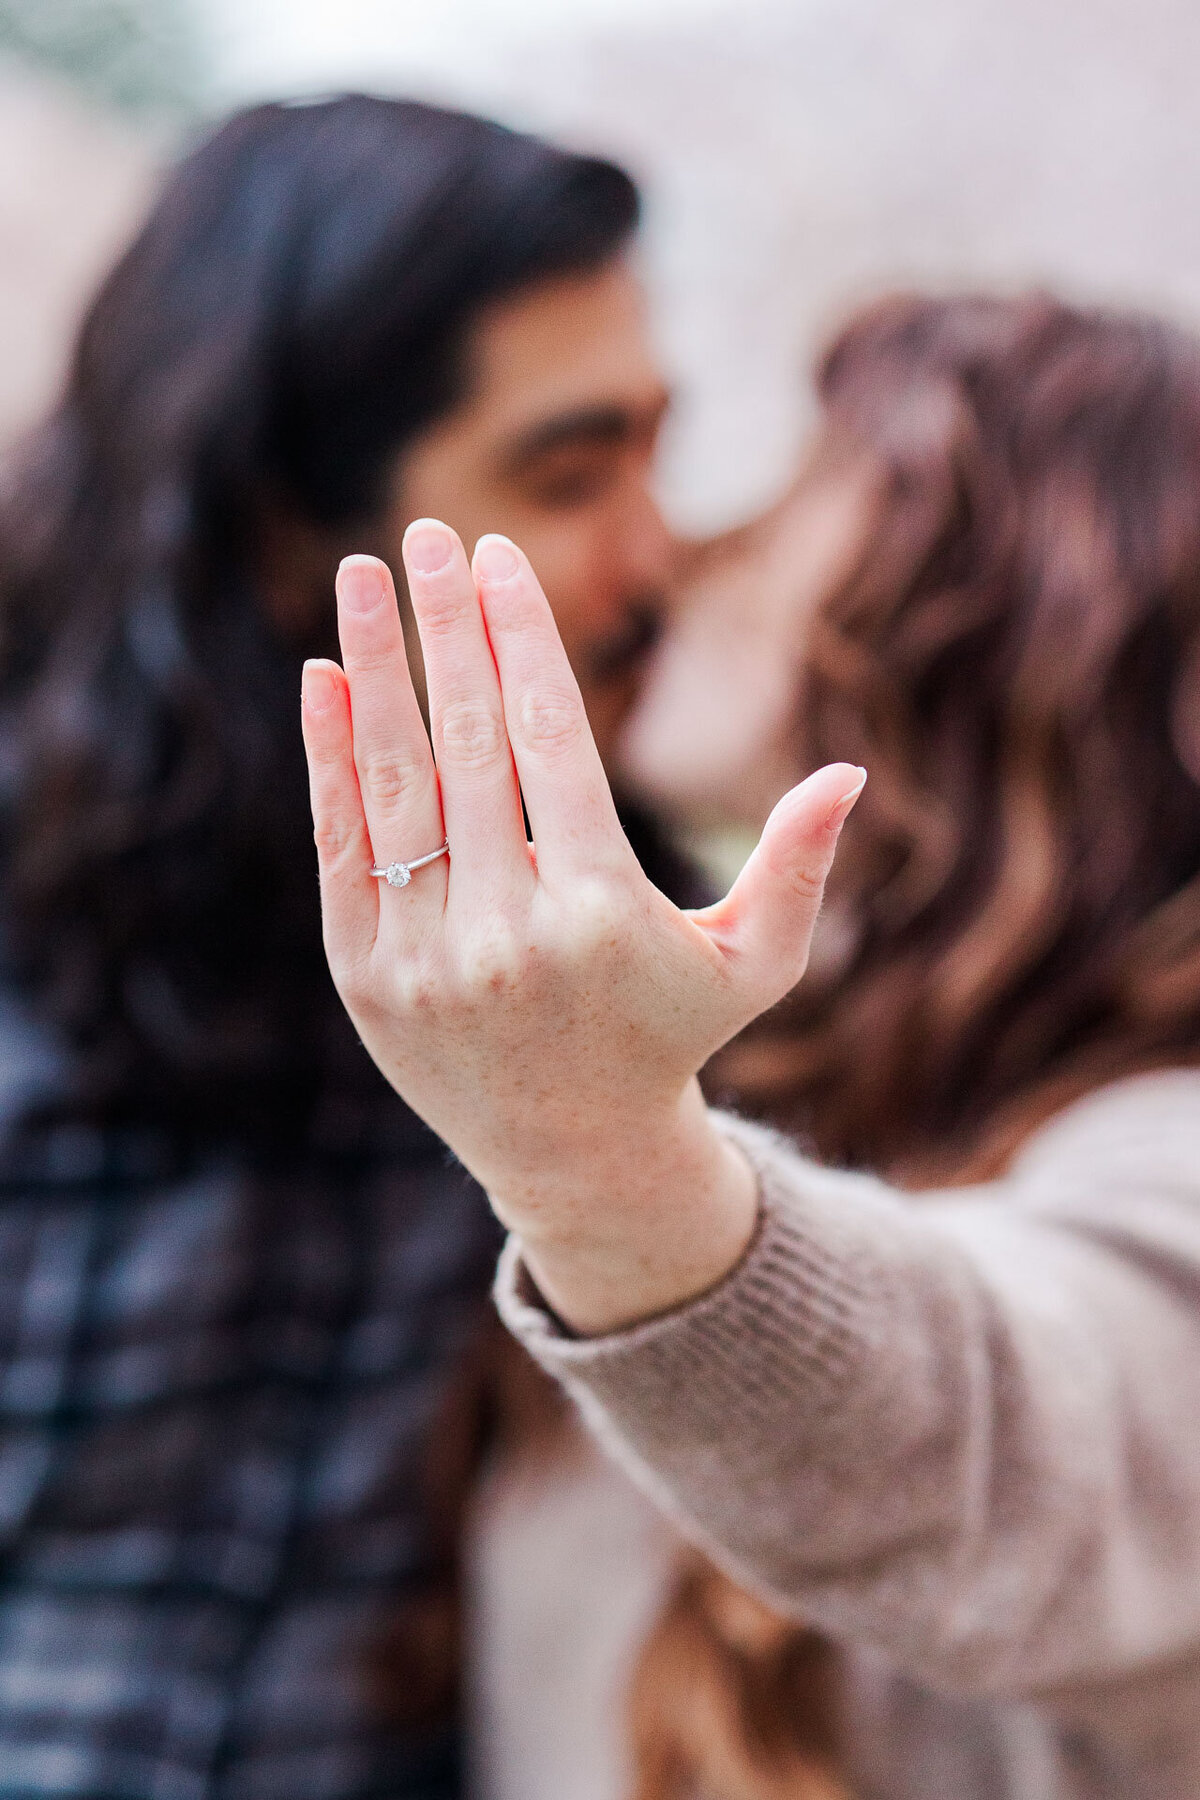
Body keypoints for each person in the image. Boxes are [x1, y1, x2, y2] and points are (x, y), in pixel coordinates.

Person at [302, 290, 1200, 1800]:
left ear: (984, 605)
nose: (686, 552)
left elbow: (1014, 1432)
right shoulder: (777, 1057)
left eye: (793, 488)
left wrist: (604, 1167)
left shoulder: (1163, 1140)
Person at [0, 92, 682, 1798]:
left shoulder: (606, 947)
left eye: (655, 450)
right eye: (569, 470)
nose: (653, 555)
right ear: (283, 514)